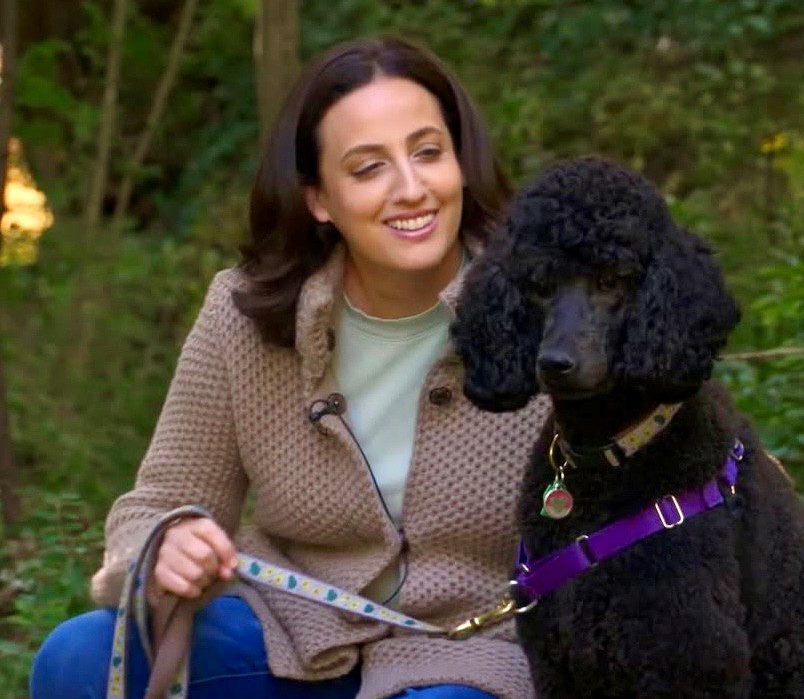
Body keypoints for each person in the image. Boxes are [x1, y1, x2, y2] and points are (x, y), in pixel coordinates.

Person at [30, 36, 549, 699]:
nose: (412, 188)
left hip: (476, 655)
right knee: (76, 658)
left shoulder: (546, 309)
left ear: (460, 161)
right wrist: (165, 546)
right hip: (292, 636)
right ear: (318, 199)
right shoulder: (243, 315)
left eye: (428, 152)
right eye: (368, 168)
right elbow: (157, 505)